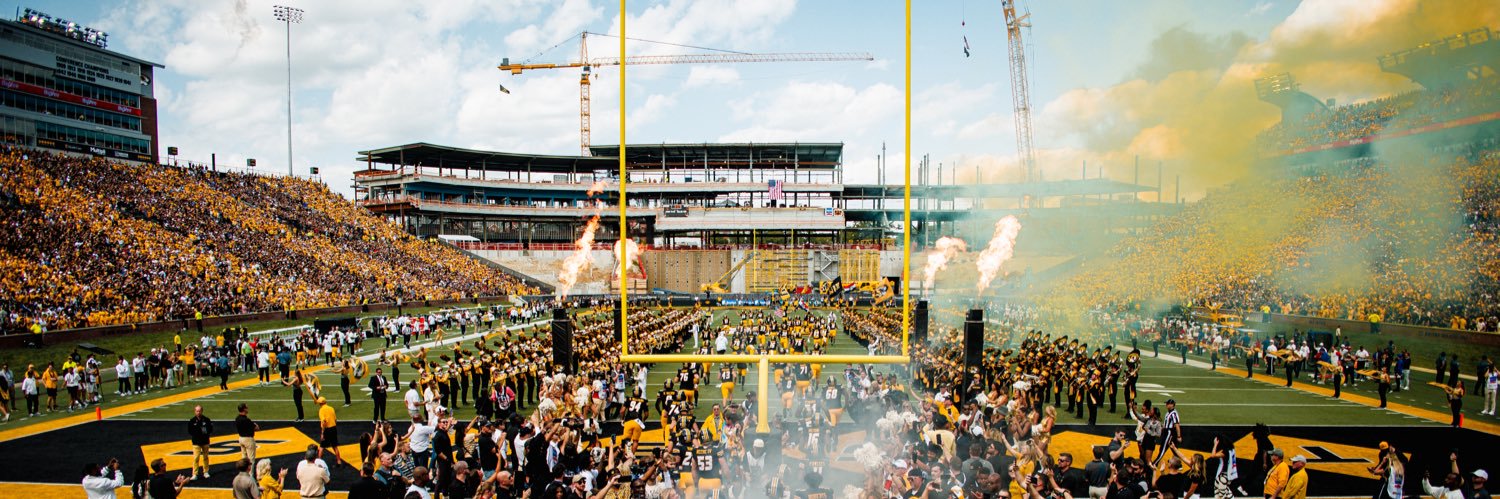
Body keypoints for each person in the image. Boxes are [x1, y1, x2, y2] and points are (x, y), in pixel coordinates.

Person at [187, 405, 214, 480]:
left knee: (205, 457)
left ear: (202, 411)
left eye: (199, 411)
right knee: (196, 458)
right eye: (197, 411)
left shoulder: (206, 420)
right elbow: (190, 431)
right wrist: (198, 433)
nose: (198, 412)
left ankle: (206, 472)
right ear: (194, 411)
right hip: (196, 442)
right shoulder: (192, 421)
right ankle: (195, 474)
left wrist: (205, 433)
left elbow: (210, 429)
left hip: (205, 441)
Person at [317, 397, 342, 464]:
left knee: (322, 446)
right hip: (333, 428)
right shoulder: (331, 408)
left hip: (327, 429)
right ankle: (339, 460)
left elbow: (324, 421)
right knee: (335, 446)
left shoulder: (321, 410)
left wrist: (322, 432)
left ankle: (318, 462)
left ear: (320, 404)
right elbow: (335, 419)